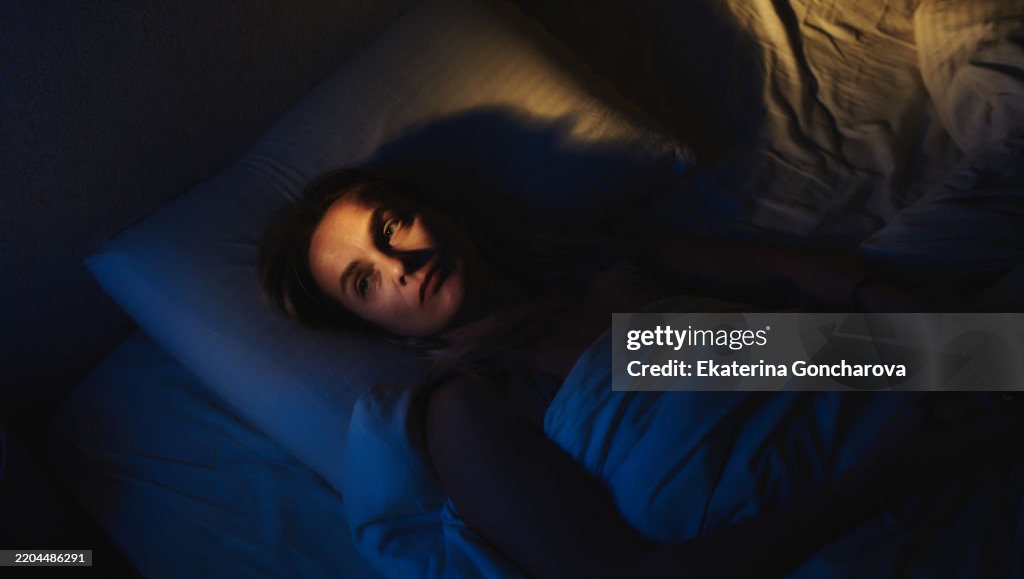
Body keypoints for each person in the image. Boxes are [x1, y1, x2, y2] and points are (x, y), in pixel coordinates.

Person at [258, 166, 1015, 578]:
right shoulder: (469, 404)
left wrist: (881, 295)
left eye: (391, 228)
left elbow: (774, 274)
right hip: (853, 513)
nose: (399, 264)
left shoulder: (597, 270)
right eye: (365, 281)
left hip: (897, 393)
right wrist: (896, 470)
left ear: (441, 212)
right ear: (375, 328)